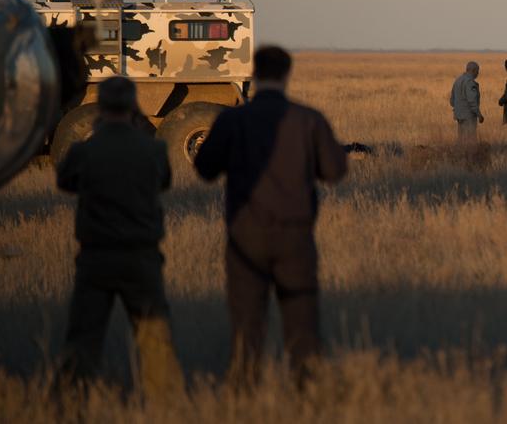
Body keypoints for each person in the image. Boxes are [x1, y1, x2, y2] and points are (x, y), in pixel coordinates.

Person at [195, 46, 348, 382]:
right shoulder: (309, 119)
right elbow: (336, 172)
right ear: (287, 74)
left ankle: (244, 394)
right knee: (302, 320)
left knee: (247, 321)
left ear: (255, 73)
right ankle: (306, 395)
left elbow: (204, 169)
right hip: (295, 236)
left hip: (245, 236)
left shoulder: (233, 120)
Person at [56, 76, 181, 395]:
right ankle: (165, 403)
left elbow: (65, 181)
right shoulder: (153, 150)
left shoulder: (85, 151)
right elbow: (163, 182)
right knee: (154, 338)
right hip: (142, 257)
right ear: (133, 106)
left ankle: (70, 402)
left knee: (83, 337)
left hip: (96, 257)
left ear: (100, 108)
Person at [449, 61, 483, 145]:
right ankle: (469, 156)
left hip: (459, 115)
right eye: (477, 71)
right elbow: (472, 101)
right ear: (474, 70)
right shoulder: (470, 82)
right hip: (468, 116)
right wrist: (479, 115)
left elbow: (452, 101)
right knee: (470, 140)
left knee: (461, 139)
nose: (478, 73)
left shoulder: (458, 80)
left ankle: (460, 156)